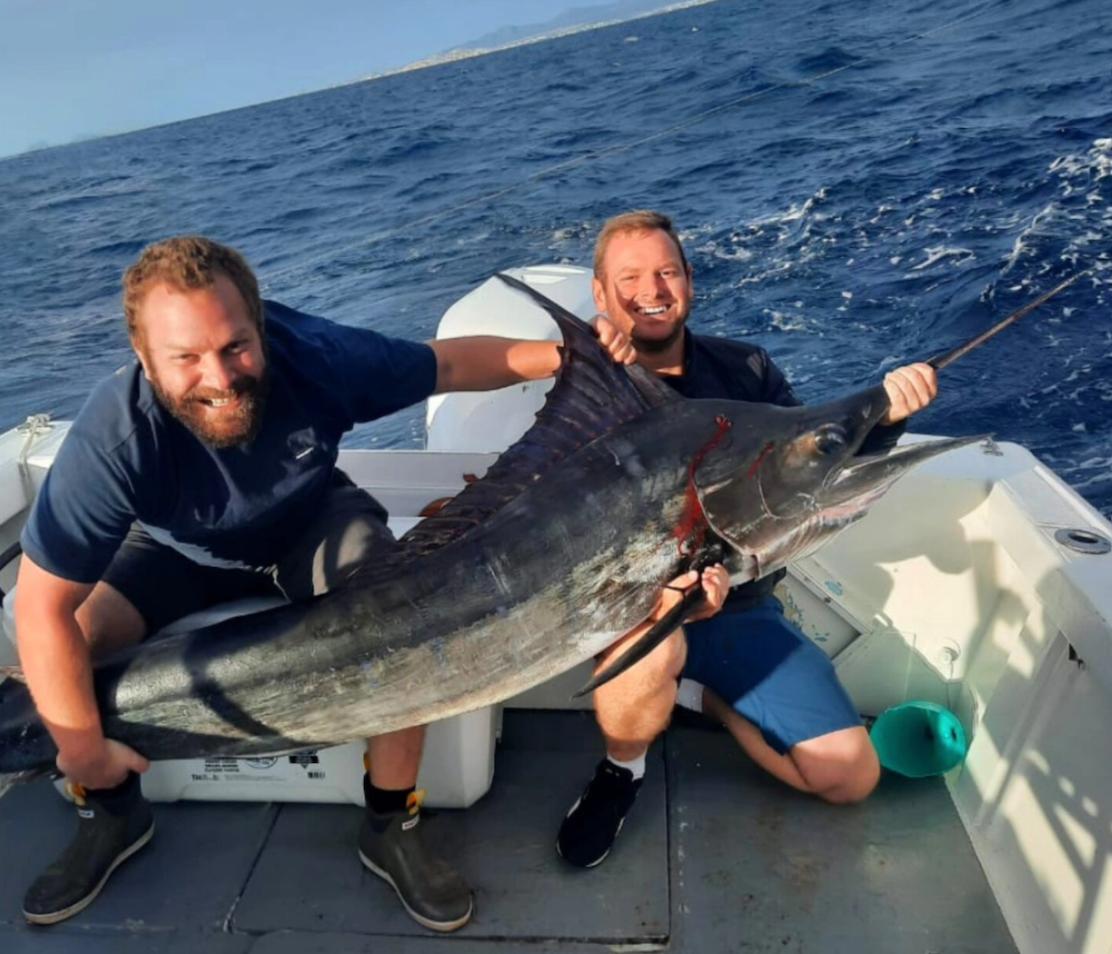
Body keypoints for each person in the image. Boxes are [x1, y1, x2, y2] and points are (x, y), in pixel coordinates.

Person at [12, 234, 644, 931]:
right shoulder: (116, 438)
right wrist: (83, 750)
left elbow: (453, 363)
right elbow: (43, 607)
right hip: (172, 551)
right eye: (185, 358)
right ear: (144, 358)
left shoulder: (319, 358)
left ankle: (389, 825)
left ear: (262, 326)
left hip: (306, 522)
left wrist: (570, 356)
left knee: (408, 620)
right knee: (79, 639)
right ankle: (112, 814)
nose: (219, 377)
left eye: (236, 346)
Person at [555, 210, 940, 869]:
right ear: (599, 294)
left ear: (690, 281)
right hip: (630, 612)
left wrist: (886, 423)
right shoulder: (589, 391)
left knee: (851, 776)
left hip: (741, 607)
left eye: (667, 272)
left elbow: (812, 470)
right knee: (652, 647)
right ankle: (624, 771)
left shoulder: (748, 368)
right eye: (631, 277)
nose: (653, 289)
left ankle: (700, 699)